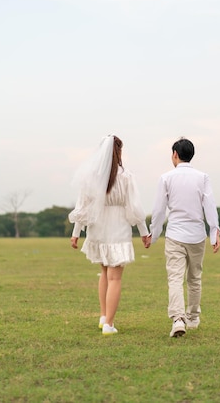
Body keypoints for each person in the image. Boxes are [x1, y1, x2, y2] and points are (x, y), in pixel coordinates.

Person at [69, 135, 150, 336]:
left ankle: (104, 316)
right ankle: (109, 324)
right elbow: (135, 207)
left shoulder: (91, 177)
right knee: (115, 278)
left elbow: (82, 207)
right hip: (118, 228)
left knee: (105, 273)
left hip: (98, 228)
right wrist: (144, 232)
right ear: (119, 151)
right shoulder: (126, 176)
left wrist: (76, 233)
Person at [146, 137, 220, 338]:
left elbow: (159, 210)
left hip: (175, 235)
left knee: (175, 279)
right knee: (195, 278)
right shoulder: (203, 177)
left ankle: (178, 319)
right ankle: (193, 317)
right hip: (197, 235)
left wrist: (153, 235)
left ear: (175, 155)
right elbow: (210, 205)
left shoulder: (166, 178)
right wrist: (214, 232)